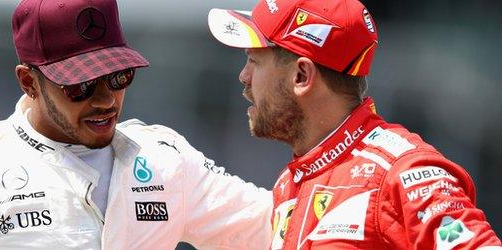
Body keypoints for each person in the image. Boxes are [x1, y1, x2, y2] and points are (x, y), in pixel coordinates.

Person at [0, 0, 273, 249]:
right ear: (28, 81)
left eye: (119, 77)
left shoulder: (165, 160)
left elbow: (276, 227)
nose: (106, 100)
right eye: (81, 84)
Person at [207, 0, 502, 249]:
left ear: (301, 77)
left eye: (254, 61)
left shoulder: (402, 173)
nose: (243, 77)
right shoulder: (291, 181)